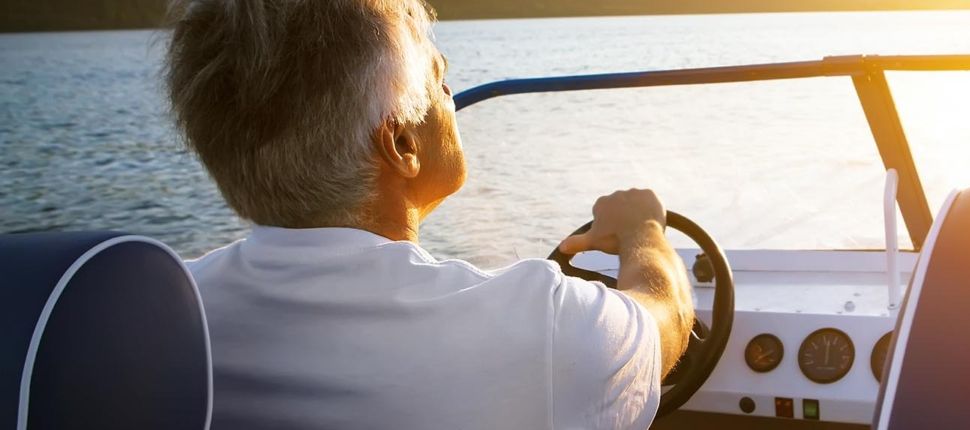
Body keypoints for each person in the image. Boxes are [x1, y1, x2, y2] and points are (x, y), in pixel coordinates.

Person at [163, 0, 695, 428]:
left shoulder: (162, 311)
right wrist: (643, 229)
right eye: (440, 79)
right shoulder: (542, 325)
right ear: (401, 142)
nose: (451, 95)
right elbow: (665, 321)